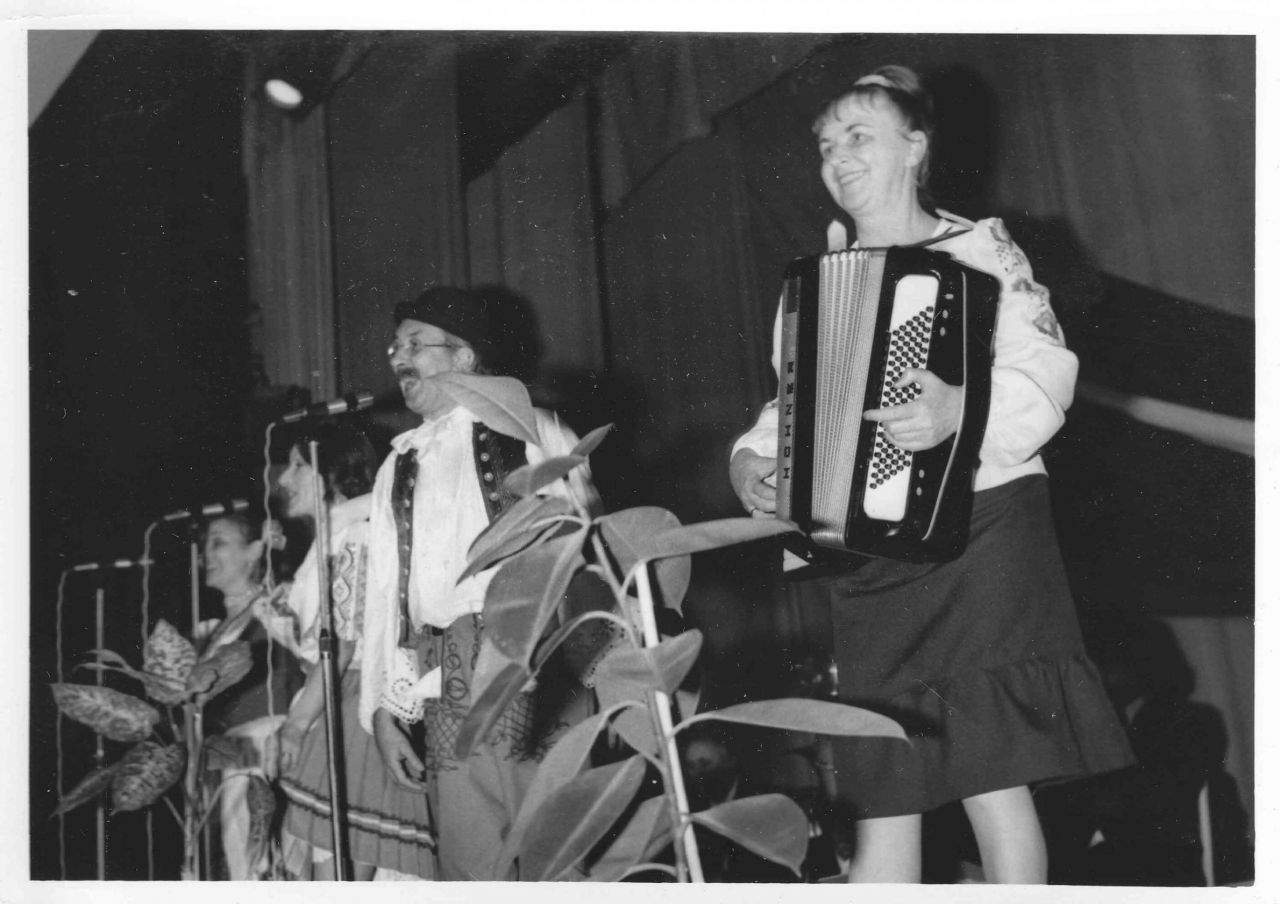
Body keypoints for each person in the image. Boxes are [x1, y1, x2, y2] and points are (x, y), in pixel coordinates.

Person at [728, 65, 1133, 884]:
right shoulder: (815, 280)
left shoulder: (981, 250)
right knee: (884, 787)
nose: (838, 157)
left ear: (914, 148)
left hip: (981, 529)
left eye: (859, 136)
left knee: (994, 783)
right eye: (826, 145)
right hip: (867, 552)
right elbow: (794, 404)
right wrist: (751, 460)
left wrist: (959, 411)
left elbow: (1046, 367)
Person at [358, 286, 600, 880]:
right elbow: (389, 597)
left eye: (415, 344)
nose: (398, 358)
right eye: (395, 346)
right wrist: (387, 707)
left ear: (464, 356)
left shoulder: (530, 428)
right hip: (446, 672)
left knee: (560, 855)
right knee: (470, 863)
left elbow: (588, 552)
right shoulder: (399, 463)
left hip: (535, 660)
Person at [271, 420, 435, 880]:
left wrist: (296, 725)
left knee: (338, 873)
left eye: (297, 465)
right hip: (343, 701)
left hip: (354, 710)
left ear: (333, 470)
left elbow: (341, 647)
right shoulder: (342, 533)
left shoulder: (357, 532)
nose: (284, 479)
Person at [199, 510, 304, 880]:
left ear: (254, 550)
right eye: (205, 545)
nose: (206, 554)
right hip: (227, 758)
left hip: (267, 748)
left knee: (261, 865)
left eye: (219, 543)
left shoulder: (274, 603)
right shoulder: (214, 629)